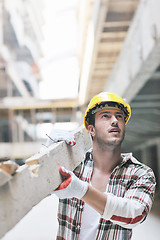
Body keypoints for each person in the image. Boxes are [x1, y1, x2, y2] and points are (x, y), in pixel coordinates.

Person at [45, 92, 156, 240]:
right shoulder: (75, 164)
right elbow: (40, 186)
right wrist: (49, 155)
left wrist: (82, 190)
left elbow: (135, 214)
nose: (115, 121)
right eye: (106, 116)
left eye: (119, 116)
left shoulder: (140, 174)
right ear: (91, 129)